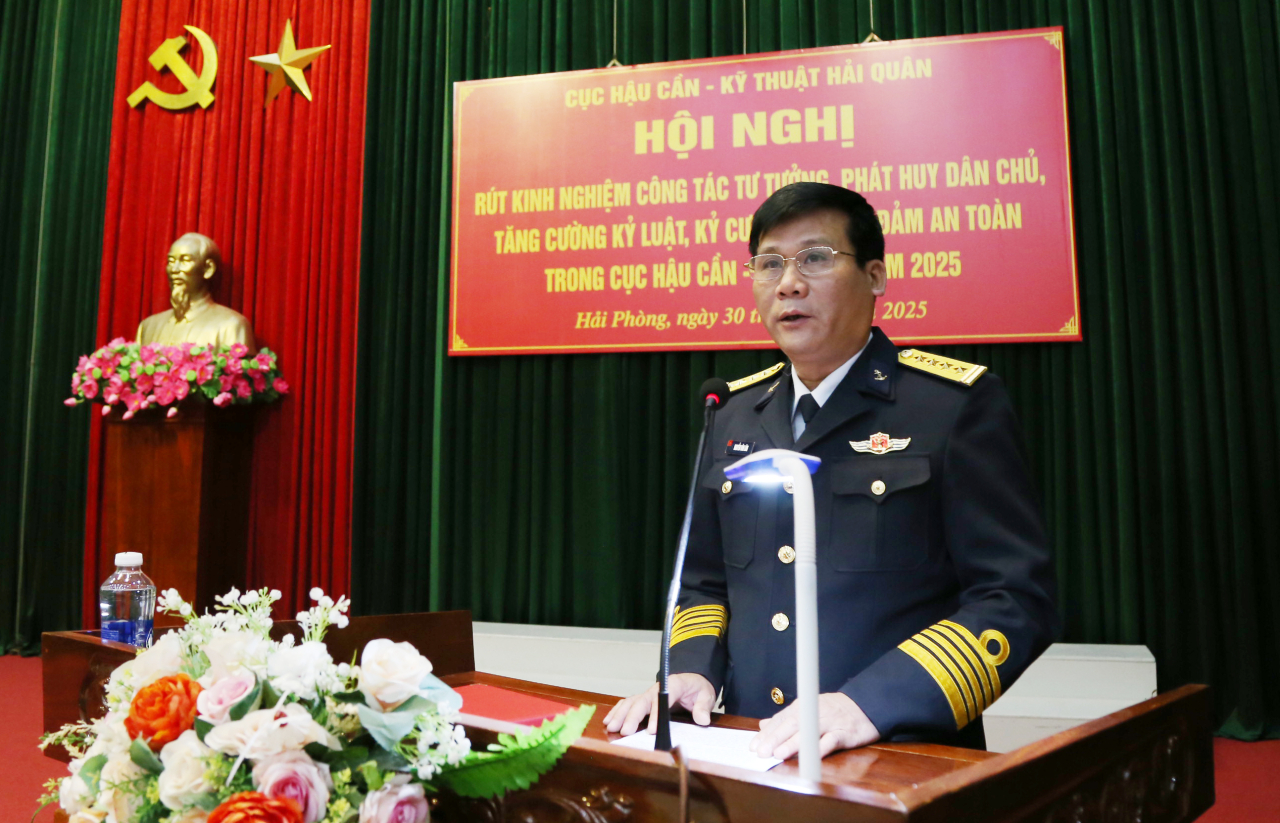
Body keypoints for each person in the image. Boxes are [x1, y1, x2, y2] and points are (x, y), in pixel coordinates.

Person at [603, 182, 1059, 759]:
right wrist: (693, 669)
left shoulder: (951, 407)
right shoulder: (733, 412)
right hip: (752, 748)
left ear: (875, 276)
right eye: (769, 264)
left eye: (815, 259)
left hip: (895, 753)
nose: (788, 283)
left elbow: (1013, 596)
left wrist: (872, 703)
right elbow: (704, 582)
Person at [136, 232, 256, 351]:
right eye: (171, 261)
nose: (174, 269)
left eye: (185, 260)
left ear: (208, 269)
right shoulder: (148, 326)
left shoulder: (231, 326)